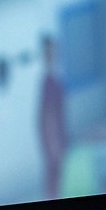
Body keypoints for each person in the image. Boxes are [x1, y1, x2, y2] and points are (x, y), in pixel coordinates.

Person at [38, 35, 68, 199]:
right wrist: (54, 144)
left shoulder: (55, 78)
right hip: (53, 140)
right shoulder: (48, 82)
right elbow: (48, 116)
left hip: (59, 136)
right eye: (50, 52)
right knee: (54, 176)